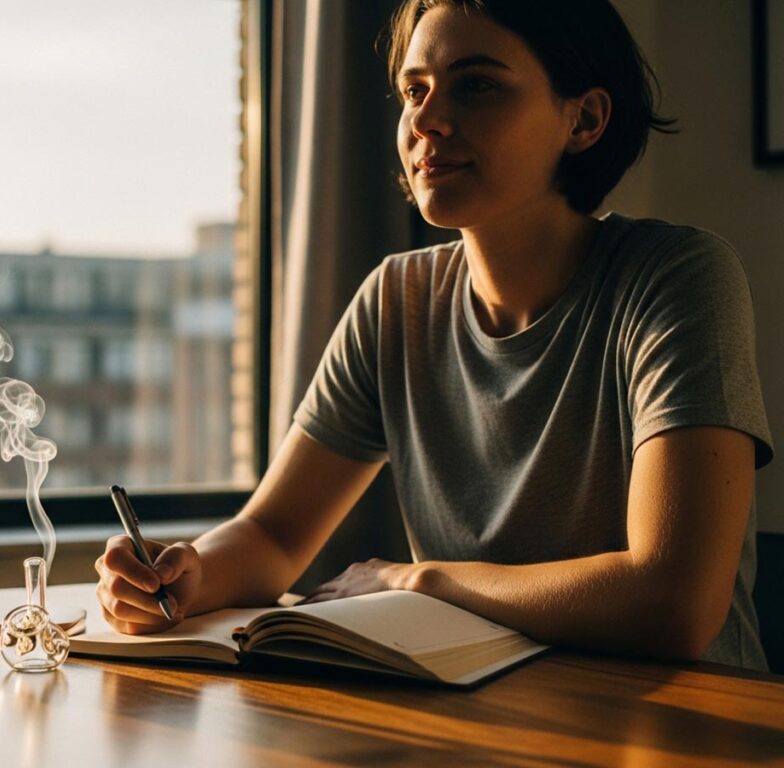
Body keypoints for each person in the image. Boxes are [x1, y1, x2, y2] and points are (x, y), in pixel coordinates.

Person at [95, 0, 774, 670]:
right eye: (413, 91)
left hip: (689, 727)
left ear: (585, 118)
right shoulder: (397, 299)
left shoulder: (675, 278)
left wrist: (417, 580)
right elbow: (274, 532)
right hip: (481, 718)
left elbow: (674, 603)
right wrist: (187, 574)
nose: (425, 120)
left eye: (475, 86)